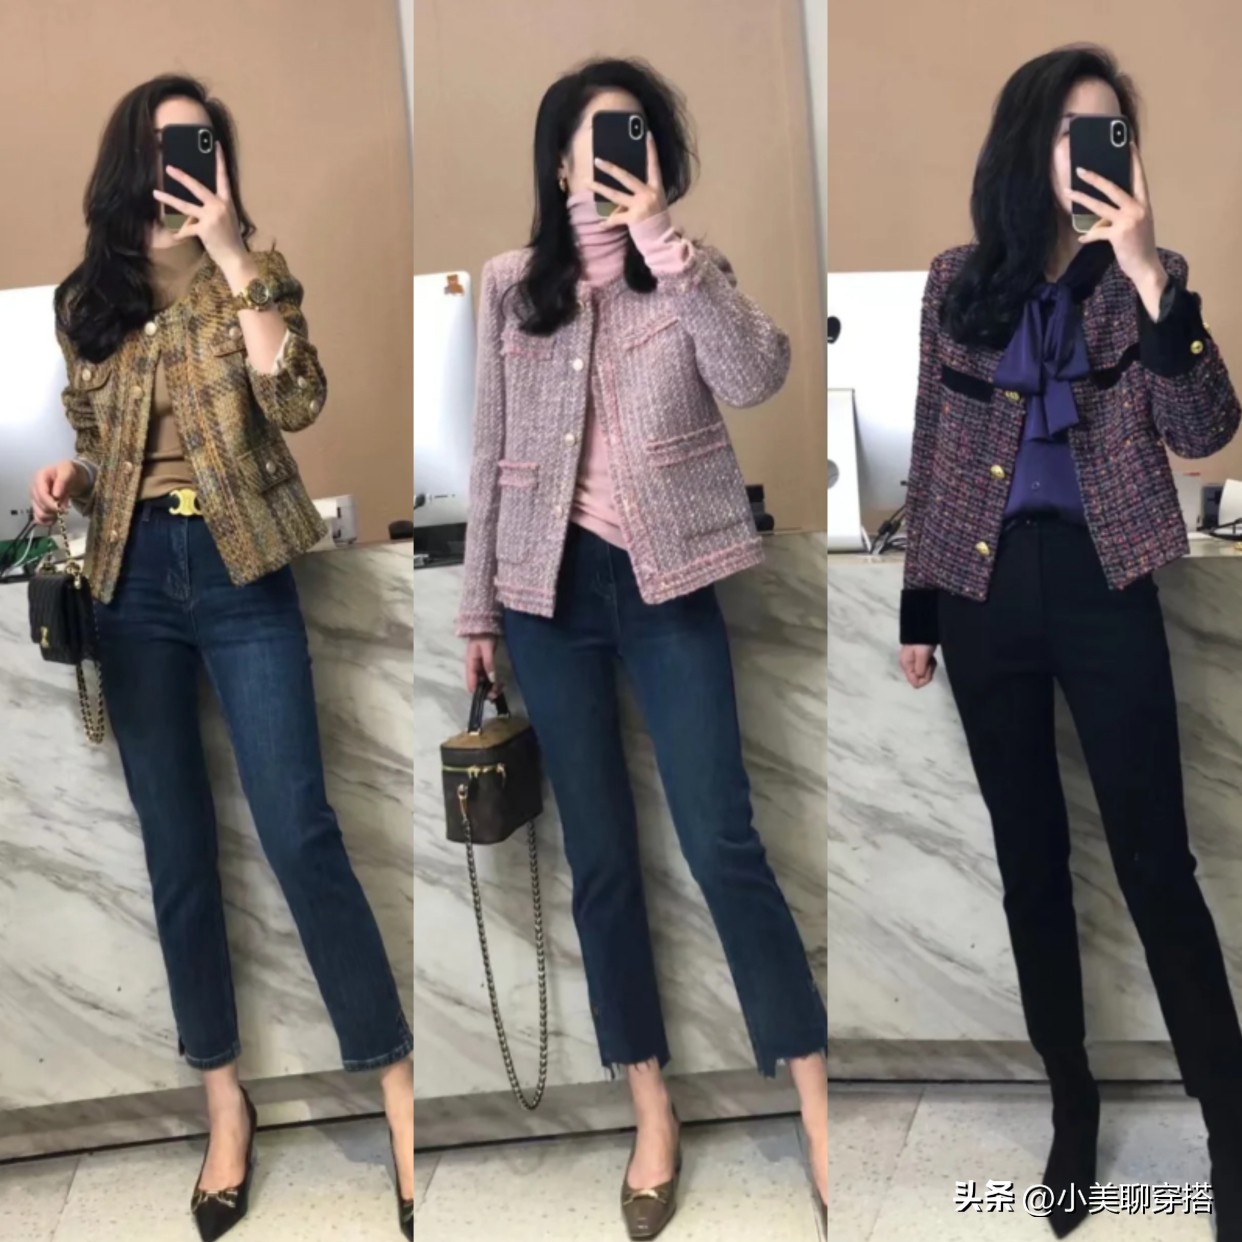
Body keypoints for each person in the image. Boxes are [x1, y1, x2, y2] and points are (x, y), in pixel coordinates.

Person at [30, 75, 413, 1242]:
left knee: (300, 830)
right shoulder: (86, 301)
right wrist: (72, 477)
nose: (182, 163)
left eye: (199, 144)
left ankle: (398, 1092)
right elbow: (100, 444)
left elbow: (296, 398)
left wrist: (236, 251)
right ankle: (223, 1107)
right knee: (178, 854)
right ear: (128, 160)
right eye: (164, 147)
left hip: (241, 569)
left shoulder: (252, 268)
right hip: (133, 581)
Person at [456, 57, 828, 1237]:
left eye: (635, 136)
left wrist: (664, 242)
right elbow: (487, 454)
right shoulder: (511, 287)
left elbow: (759, 374)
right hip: (547, 597)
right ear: (558, 159)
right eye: (596, 137)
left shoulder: (689, 271)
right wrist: (478, 612)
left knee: (724, 840)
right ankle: (649, 1110)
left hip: (669, 586)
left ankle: (816, 1101)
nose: (615, 154)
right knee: (603, 861)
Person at [898, 45, 1242, 1239]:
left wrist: (1148, 275)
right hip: (984, 595)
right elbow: (934, 449)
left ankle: (1231, 1123)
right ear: (1025, 146)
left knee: (1158, 865)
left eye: (1109, 134)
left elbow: (1206, 429)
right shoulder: (956, 283)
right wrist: (920, 612)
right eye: (1069, 132)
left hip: (1108, 583)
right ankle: (1073, 1106)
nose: (1091, 154)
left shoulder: (1149, 279)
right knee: (1030, 864)